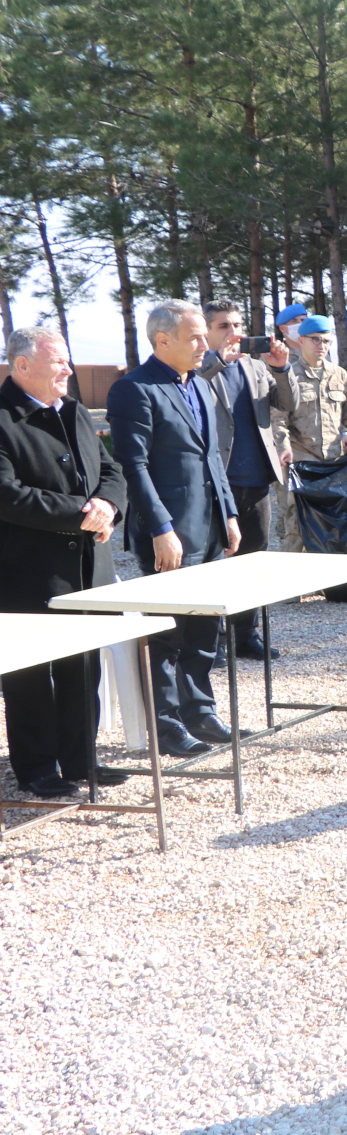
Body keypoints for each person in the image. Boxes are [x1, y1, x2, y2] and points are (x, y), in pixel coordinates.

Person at [107, 299, 243, 757]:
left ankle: (200, 712)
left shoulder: (199, 384)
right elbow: (133, 465)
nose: (206, 344)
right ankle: (166, 727)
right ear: (163, 340)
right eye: (195, 337)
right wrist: (161, 528)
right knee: (166, 635)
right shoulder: (134, 389)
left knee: (204, 630)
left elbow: (212, 457)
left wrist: (228, 514)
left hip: (208, 528)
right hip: (168, 535)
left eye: (205, 335)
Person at [0, 327, 127, 798]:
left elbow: (110, 469)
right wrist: (82, 515)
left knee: (83, 668)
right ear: (23, 365)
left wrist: (108, 506)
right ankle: (36, 768)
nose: (69, 370)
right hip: (28, 571)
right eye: (58, 362)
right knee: (30, 675)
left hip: (88, 568)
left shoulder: (72, 410)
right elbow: (7, 495)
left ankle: (80, 760)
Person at [199, 300, 289, 658]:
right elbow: (191, 386)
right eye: (223, 326)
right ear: (206, 331)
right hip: (215, 480)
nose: (233, 332)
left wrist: (281, 368)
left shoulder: (254, 365)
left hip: (256, 479)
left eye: (237, 325)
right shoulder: (199, 365)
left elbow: (287, 403)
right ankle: (215, 640)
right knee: (214, 561)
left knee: (253, 559)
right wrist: (218, 360)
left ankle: (246, 634)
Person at [269, 315, 347, 551]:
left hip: (332, 463)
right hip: (299, 462)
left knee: (331, 524)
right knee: (295, 524)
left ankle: (325, 573)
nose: (321, 346)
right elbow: (278, 419)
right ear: (301, 341)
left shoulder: (338, 375)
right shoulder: (288, 375)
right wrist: (283, 447)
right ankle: (291, 574)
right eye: (315, 340)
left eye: (326, 341)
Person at [270, 303, 308, 545]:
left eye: (305, 319)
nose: (302, 324)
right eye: (297, 321)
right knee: (290, 516)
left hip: (316, 451)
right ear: (284, 329)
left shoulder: (315, 357)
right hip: (289, 452)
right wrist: (282, 446)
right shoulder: (274, 361)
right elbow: (274, 413)